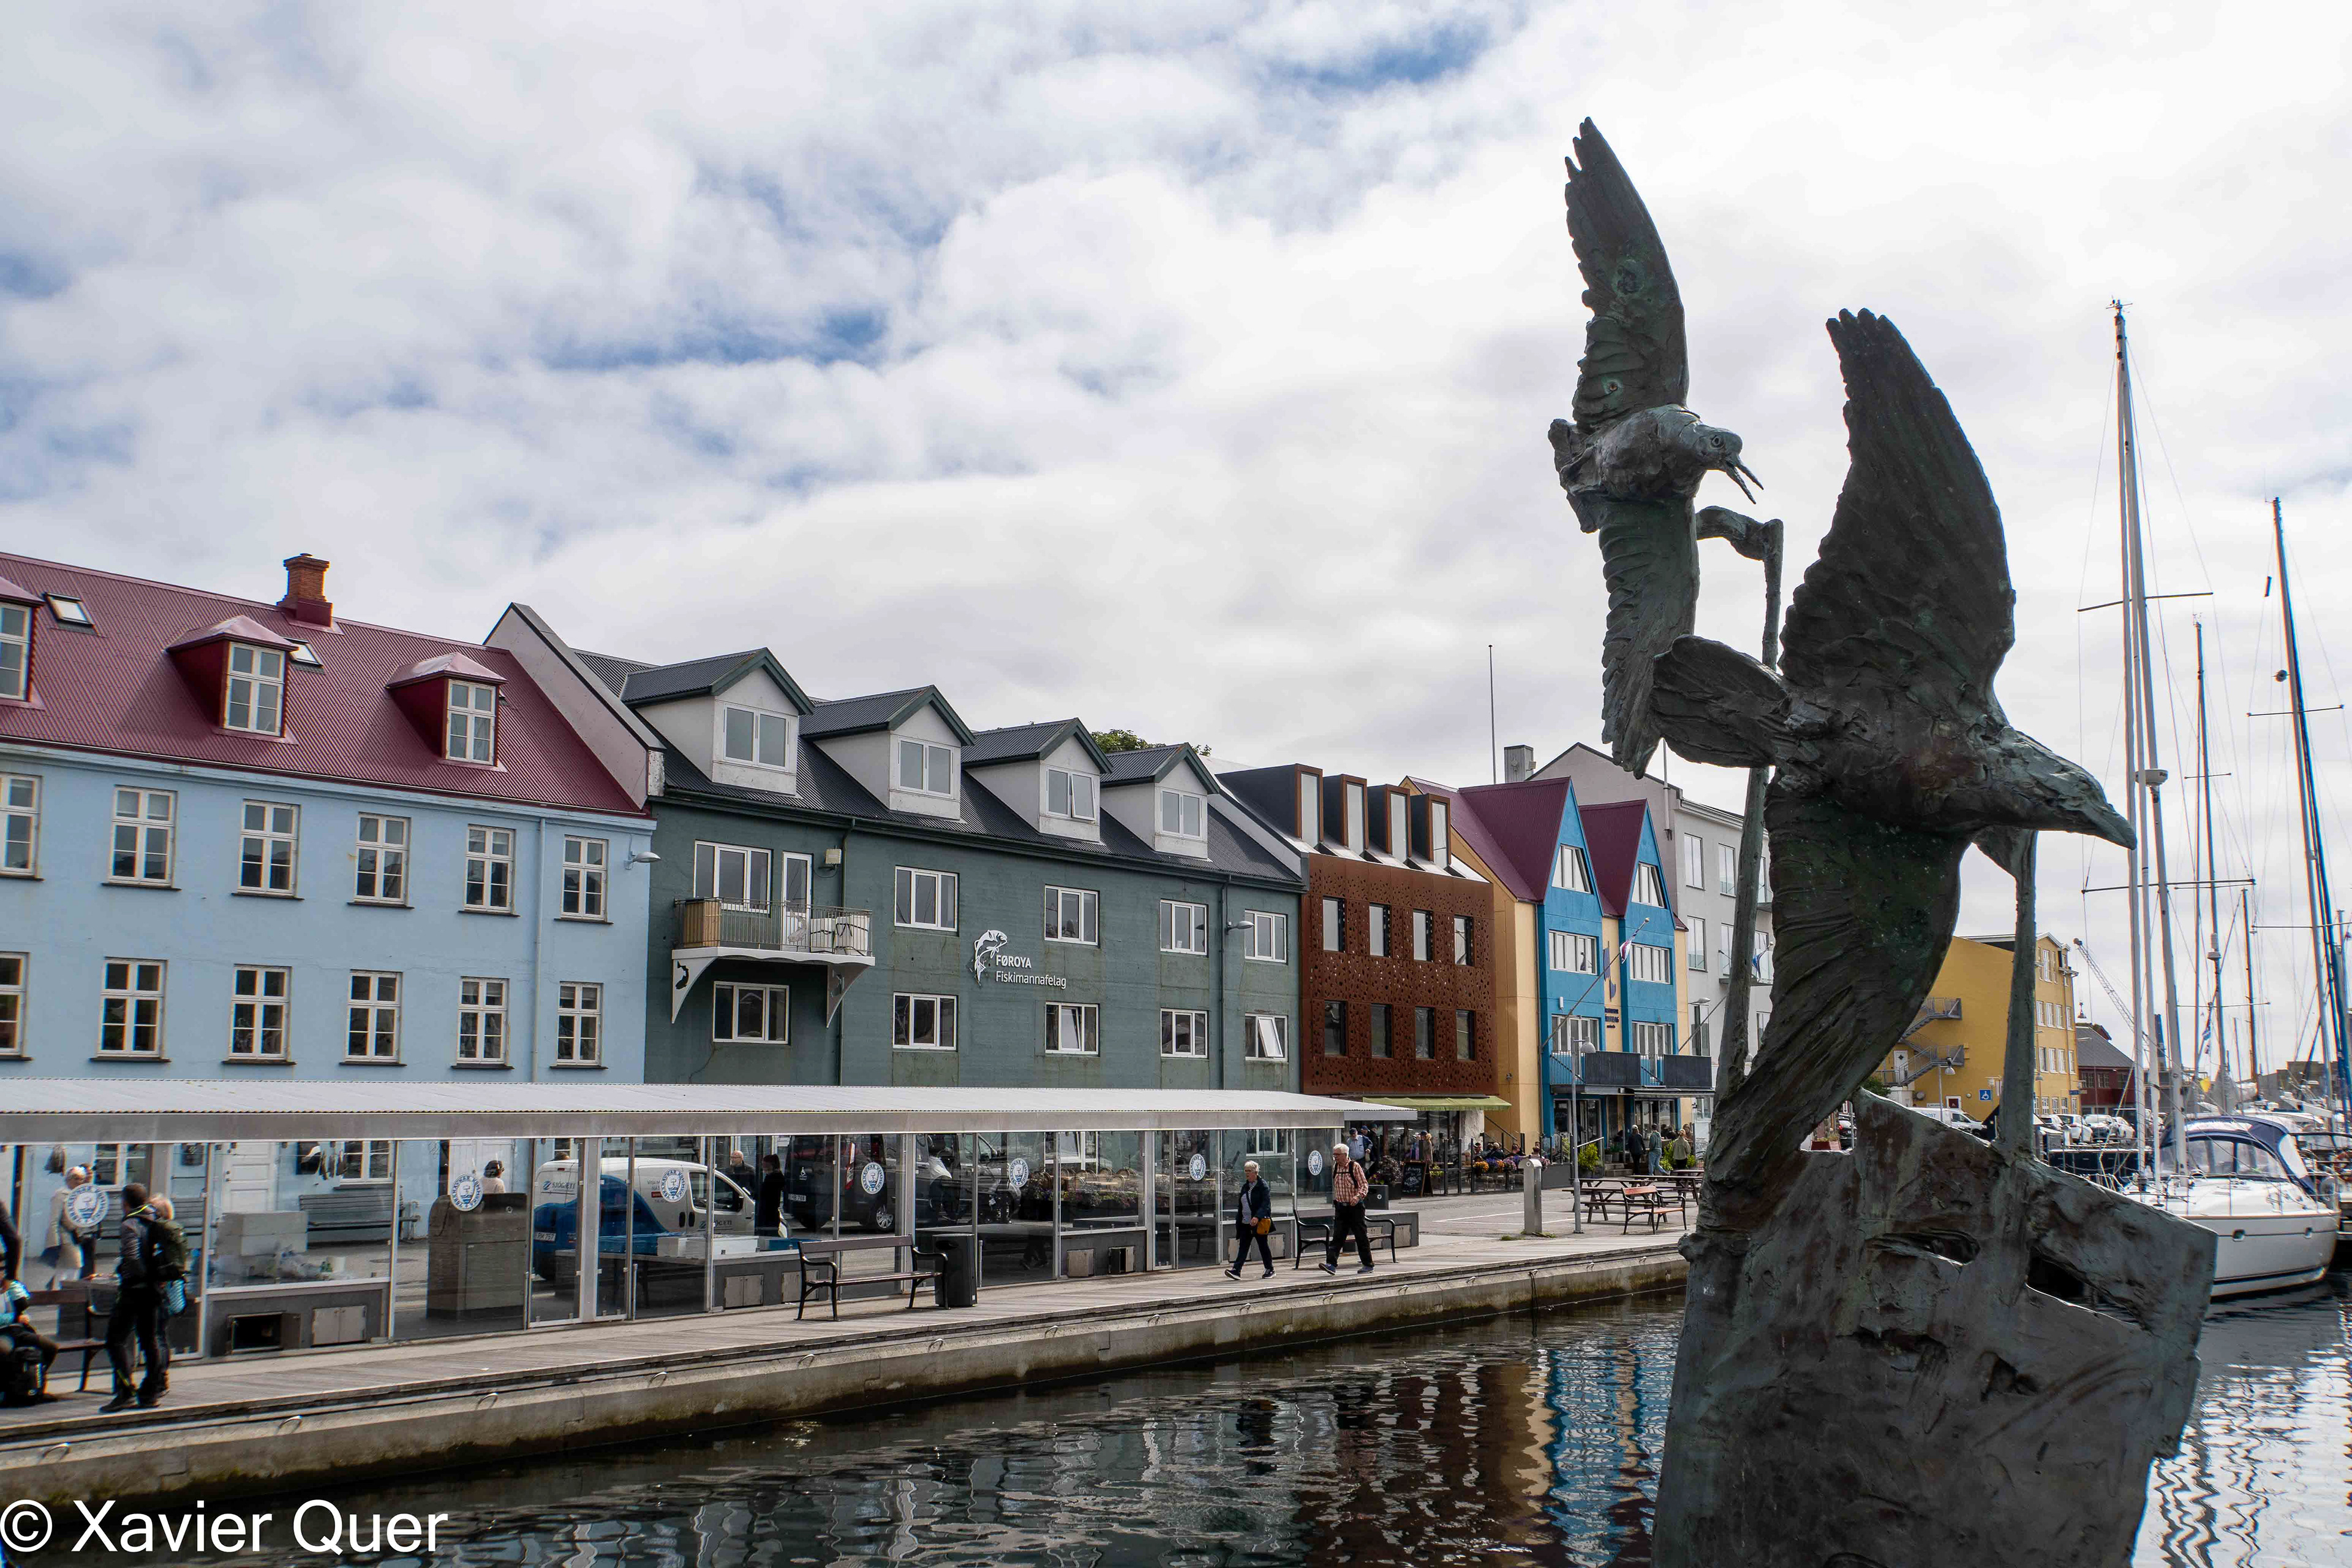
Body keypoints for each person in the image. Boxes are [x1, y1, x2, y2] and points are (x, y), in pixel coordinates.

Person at [101, 1183, 167, 1412]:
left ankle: (125, 1391)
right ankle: (151, 1394)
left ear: (125, 1203)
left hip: (134, 1291)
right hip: (154, 1290)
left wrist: (126, 1272)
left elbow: (132, 1258)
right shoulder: (156, 1219)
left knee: (114, 1340)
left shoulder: (130, 1224)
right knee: (150, 1340)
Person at [1321, 1143, 1374, 1275]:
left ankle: (1368, 1265)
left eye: (1338, 1155)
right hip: (1341, 1207)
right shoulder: (1336, 1167)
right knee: (1338, 1236)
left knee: (1361, 1236)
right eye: (1334, 1155)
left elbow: (1364, 1185)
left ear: (1345, 1155)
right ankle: (1331, 1264)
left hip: (1355, 1208)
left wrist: (1358, 1196)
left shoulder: (1354, 1167)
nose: (1335, 1157)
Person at [46, 1167, 99, 1283]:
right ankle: (62, 1291)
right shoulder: (61, 1195)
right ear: (68, 1179)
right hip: (64, 1238)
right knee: (67, 1270)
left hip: (76, 1238)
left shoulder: (79, 1196)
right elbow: (54, 1220)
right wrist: (54, 1244)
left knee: (73, 1269)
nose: (79, 1182)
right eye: (76, 1178)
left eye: (81, 1179)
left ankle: (65, 1291)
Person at [1226, 1160, 1275, 1280]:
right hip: (1246, 1223)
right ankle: (1236, 1270)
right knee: (1243, 1247)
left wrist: (1257, 1217)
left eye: (1249, 1171)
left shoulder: (1263, 1186)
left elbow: (1266, 1205)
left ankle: (1270, 1269)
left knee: (1263, 1246)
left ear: (1256, 1172)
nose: (1247, 1173)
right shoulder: (1245, 1186)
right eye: (1245, 1171)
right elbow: (1242, 1205)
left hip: (1258, 1223)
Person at [756, 1153, 786, 1237]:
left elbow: (765, 1193)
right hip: (770, 1211)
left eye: (764, 1164)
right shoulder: (775, 1176)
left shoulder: (773, 1178)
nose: (762, 1166)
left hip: (769, 1212)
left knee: (770, 1234)